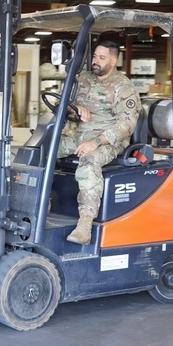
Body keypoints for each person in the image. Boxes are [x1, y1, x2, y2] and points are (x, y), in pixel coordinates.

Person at [57, 40, 140, 244]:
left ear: (113, 61)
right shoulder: (83, 78)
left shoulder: (123, 86)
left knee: (89, 160)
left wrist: (95, 142)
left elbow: (127, 124)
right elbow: (62, 102)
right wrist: (74, 108)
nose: (96, 61)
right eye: (95, 56)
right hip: (79, 134)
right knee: (44, 149)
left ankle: (85, 225)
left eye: (102, 58)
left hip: (107, 140)